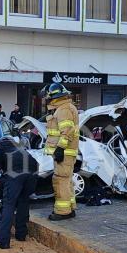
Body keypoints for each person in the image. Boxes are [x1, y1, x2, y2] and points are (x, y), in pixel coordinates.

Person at [0, 134, 38, 249]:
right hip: (32, 174)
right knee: (24, 201)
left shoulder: (0, 146)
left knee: (9, 205)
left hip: (15, 174)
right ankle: (21, 234)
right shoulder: (20, 148)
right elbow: (34, 162)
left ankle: (3, 242)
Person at [43, 83, 79, 221]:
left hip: (64, 152)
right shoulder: (64, 108)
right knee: (67, 181)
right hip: (67, 152)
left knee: (60, 181)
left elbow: (67, 132)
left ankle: (63, 212)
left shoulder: (63, 109)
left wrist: (60, 149)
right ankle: (70, 208)